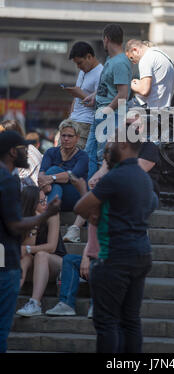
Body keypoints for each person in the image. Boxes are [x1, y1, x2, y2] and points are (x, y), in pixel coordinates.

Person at [73, 124, 157, 353]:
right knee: (130, 319)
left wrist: (82, 188)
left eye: (111, 142)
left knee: (107, 321)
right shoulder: (143, 178)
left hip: (115, 256)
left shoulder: (115, 176)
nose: (107, 147)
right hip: (141, 253)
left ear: (123, 144)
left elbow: (82, 208)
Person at [0, 130, 60, 353]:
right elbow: (14, 225)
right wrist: (45, 215)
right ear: (13, 152)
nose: (29, 153)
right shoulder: (7, 179)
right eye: (25, 149)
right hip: (5, 264)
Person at [83, 24, 132, 179]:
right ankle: (89, 193)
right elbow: (109, 87)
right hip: (104, 114)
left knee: (102, 158)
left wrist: (107, 109)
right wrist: (94, 96)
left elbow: (123, 94)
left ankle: (99, 195)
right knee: (89, 155)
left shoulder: (120, 63)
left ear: (106, 39)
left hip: (111, 116)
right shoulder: (112, 60)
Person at [16, 186, 66, 317]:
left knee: (41, 255)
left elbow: (52, 247)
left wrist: (27, 249)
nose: (46, 204)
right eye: (41, 202)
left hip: (55, 262)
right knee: (25, 258)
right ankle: (7, 299)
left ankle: (35, 303)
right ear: (31, 205)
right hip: (32, 266)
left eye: (46, 200)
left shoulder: (52, 214)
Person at [45, 222, 99, 318]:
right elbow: (91, 241)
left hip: (109, 265)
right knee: (69, 259)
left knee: (101, 264)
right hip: (94, 261)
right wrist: (85, 258)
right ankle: (66, 304)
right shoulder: (98, 217)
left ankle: (98, 306)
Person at [38, 119, 88, 212]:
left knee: (54, 170)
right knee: (56, 186)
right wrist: (48, 182)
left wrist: (52, 178)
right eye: (63, 135)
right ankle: (50, 214)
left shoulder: (82, 156)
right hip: (54, 193)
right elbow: (41, 174)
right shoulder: (51, 152)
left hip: (74, 195)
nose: (66, 139)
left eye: (70, 136)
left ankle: (46, 215)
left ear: (77, 138)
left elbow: (73, 176)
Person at [64, 42, 103, 150]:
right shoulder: (83, 72)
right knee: (60, 153)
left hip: (86, 122)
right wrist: (70, 117)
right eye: (76, 64)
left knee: (73, 154)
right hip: (73, 120)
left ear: (89, 57)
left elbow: (100, 102)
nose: (78, 67)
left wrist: (80, 94)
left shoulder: (100, 73)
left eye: (80, 63)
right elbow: (75, 99)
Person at [125, 39, 174, 108]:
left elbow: (144, 91)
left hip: (147, 108)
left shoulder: (146, 59)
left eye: (131, 58)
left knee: (119, 109)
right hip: (163, 107)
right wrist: (140, 83)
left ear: (135, 50)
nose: (133, 62)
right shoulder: (163, 55)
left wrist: (130, 84)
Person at [0, 119, 43, 187]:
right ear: (13, 151)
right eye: (23, 148)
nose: (26, 152)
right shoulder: (8, 182)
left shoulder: (30, 153)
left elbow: (36, 188)